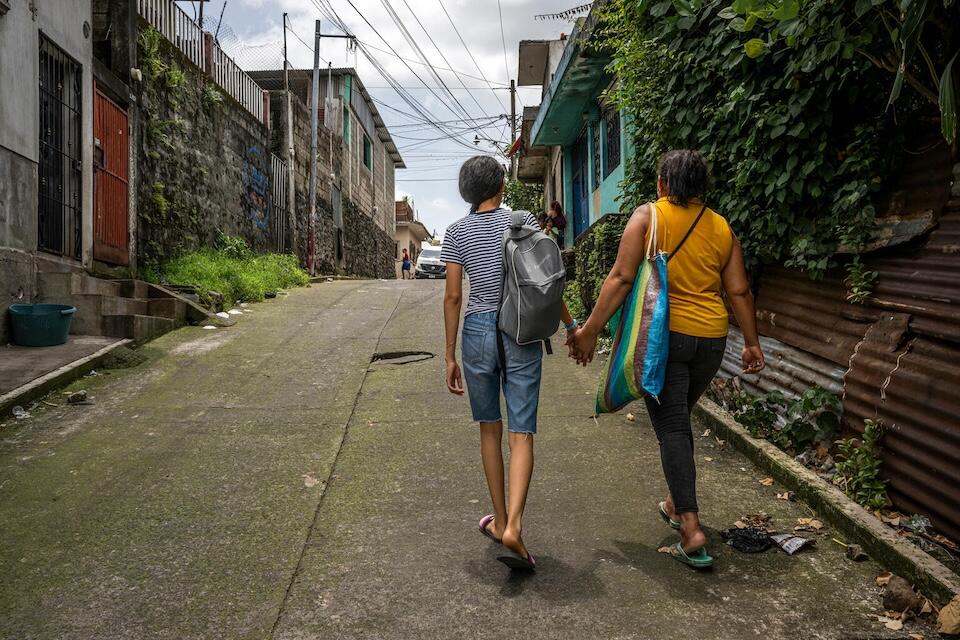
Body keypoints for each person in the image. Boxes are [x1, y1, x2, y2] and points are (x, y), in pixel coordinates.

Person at [569, 149, 765, 569]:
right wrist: (751, 343)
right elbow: (739, 291)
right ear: (700, 188)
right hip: (711, 341)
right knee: (679, 417)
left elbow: (621, 278)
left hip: (665, 340)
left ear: (662, 184)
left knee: (673, 426)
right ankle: (677, 503)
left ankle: (691, 529)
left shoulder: (648, 218)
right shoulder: (721, 227)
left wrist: (588, 330)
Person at [442, 156, 577, 571]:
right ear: (501, 183)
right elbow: (544, 284)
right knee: (521, 433)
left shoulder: (456, 232)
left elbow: (452, 297)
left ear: (467, 191)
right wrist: (571, 325)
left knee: (489, 429)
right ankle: (515, 525)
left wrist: (449, 354)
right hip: (519, 331)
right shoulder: (521, 224)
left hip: (478, 333)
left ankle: (499, 521)